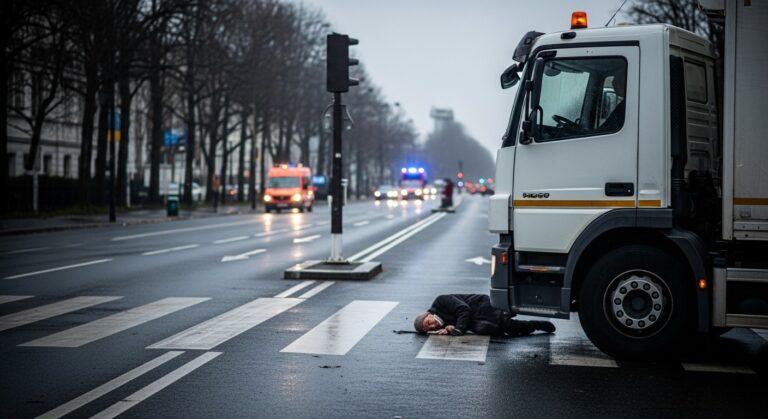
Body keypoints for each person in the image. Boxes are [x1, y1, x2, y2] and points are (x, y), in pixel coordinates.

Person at [414, 294, 555, 337]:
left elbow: (464, 310)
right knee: (485, 329)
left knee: (508, 326)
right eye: (429, 329)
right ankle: (507, 317)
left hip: (481, 307)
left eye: (428, 322)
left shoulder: (441, 301)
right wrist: (450, 328)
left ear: (428, 315)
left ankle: (535, 325)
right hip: (474, 320)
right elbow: (453, 322)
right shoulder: (440, 323)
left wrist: (458, 329)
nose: (432, 326)